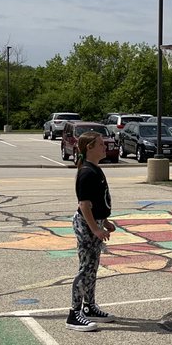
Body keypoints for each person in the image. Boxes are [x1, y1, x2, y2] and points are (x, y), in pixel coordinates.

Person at [68, 131, 117, 331]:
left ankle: (89, 307)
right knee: (85, 269)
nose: (105, 147)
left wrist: (104, 221)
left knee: (92, 268)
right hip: (87, 225)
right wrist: (95, 228)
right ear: (90, 148)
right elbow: (85, 205)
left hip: (95, 223)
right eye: (101, 144)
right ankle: (74, 314)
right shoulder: (87, 172)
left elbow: (97, 202)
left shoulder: (95, 169)